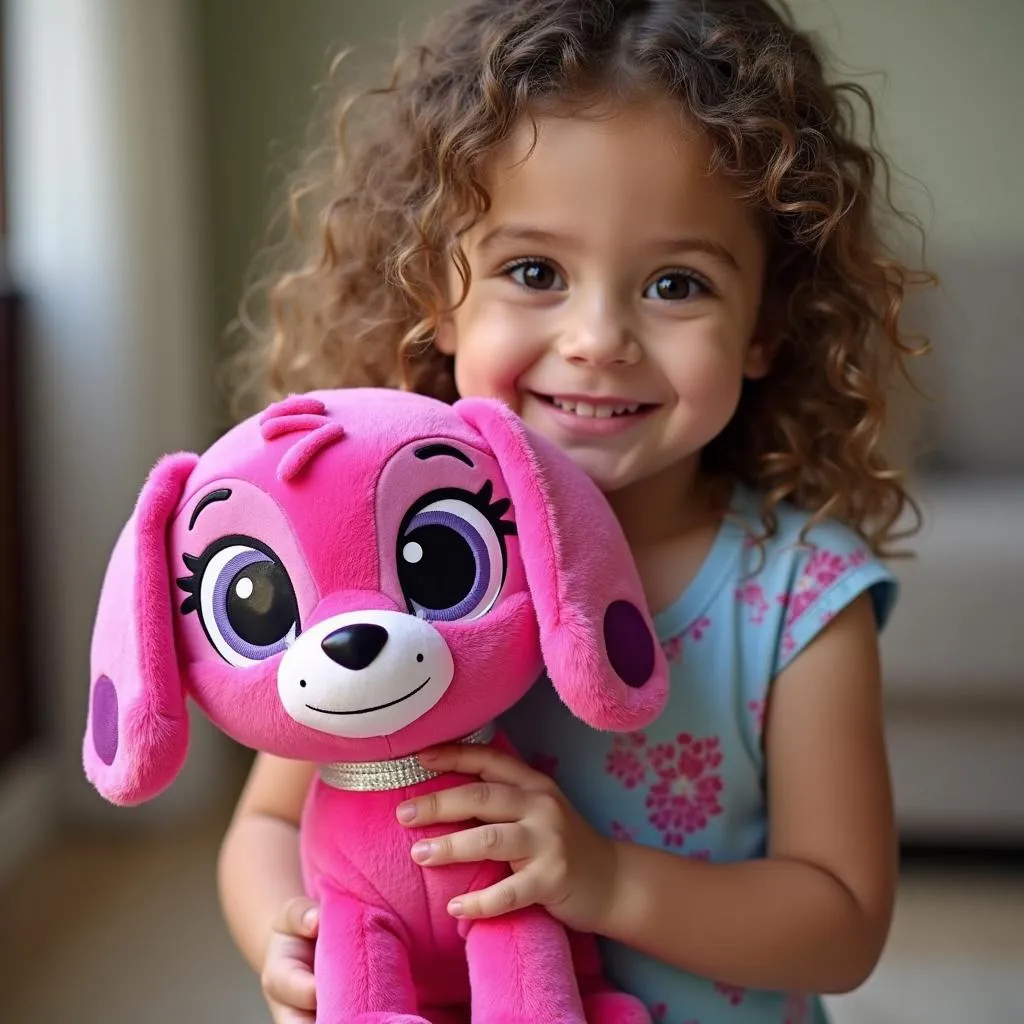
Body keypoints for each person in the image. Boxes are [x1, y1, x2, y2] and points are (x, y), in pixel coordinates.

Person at [218, 1, 932, 1021]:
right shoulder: (372, 567)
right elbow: (266, 828)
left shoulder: (797, 597)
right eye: (534, 271)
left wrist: (603, 881)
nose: (598, 336)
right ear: (436, 291)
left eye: (675, 283)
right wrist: (292, 940)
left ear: (767, 326)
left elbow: (843, 920)